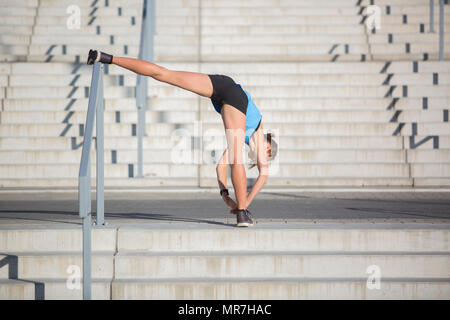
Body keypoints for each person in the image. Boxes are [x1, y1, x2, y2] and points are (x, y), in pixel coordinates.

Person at [87, 50, 278, 227]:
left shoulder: (242, 136)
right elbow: (263, 175)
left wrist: (225, 194)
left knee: (164, 74)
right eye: (266, 154)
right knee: (237, 159)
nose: (260, 157)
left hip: (222, 87)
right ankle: (243, 213)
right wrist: (242, 205)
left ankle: (104, 57)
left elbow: (220, 166)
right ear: (267, 147)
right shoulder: (258, 132)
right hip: (233, 94)